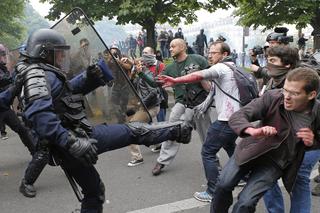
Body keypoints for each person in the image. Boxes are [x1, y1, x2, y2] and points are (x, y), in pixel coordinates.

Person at [10, 29, 192, 212]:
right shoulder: (37, 75)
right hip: (73, 139)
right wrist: (71, 142)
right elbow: (40, 116)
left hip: (67, 141)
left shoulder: (41, 72)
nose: (62, 57)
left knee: (94, 191)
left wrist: (90, 77)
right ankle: (178, 130)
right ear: (45, 52)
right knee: (133, 131)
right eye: (58, 53)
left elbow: (65, 94)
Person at [211, 67, 320, 213]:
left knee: (246, 202)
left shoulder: (317, 113)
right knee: (223, 186)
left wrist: (313, 141)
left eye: (294, 93)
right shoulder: (273, 97)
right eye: (285, 90)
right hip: (250, 150)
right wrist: (252, 130)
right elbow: (239, 115)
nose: (287, 96)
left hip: (276, 162)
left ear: (311, 94)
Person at [158, 41, 240, 202]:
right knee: (229, 145)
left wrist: (177, 81)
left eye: (214, 53)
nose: (209, 55)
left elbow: (200, 77)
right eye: (209, 52)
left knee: (207, 151)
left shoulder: (220, 67)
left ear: (224, 55)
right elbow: (211, 89)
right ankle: (244, 174)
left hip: (225, 119)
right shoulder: (233, 67)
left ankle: (213, 191)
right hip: (232, 117)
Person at [258, 46, 320, 213]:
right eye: (267, 60)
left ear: (287, 65)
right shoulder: (274, 81)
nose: (268, 65)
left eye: (272, 61)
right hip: (277, 141)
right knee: (267, 178)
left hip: (305, 144)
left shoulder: (306, 83)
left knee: (299, 180)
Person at [151, 38, 212, 176]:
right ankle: (162, 160)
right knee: (172, 128)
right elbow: (156, 83)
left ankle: (214, 161)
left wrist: (200, 77)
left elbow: (211, 81)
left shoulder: (198, 59)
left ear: (183, 47)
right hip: (181, 102)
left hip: (199, 103)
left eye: (173, 46)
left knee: (206, 133)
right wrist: (141, 72)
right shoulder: (170, 68)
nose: (170, 48)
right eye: (170, 47)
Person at [0, 43, 35, 152]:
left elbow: (9, 83)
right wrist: (16, 80)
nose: (3, 56)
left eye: (3, 53)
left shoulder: (3, 68)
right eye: (1, 54)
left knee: (22, 129)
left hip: (3, 108)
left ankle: (35, 151)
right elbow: (5, 80)